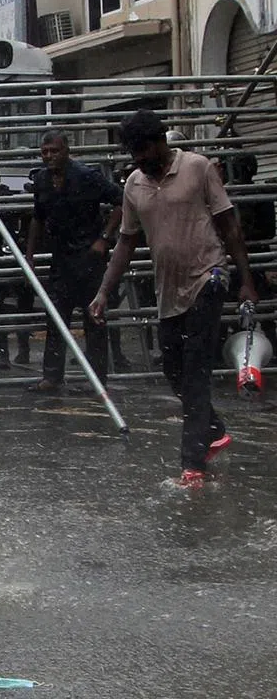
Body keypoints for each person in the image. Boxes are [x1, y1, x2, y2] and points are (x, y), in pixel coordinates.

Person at [91, 110, 257, 488]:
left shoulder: (198, 168)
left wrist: (246, 281)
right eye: (134, 155)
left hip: (208, 277)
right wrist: (103, 292)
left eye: (145, 151)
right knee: (175, 370)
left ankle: (192, 463)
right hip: (169, 291)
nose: (141, 161)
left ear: (161, 141)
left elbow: (229, 226)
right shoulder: (134, 184)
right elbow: (127, 242)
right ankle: (212, 428)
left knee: (196, 369)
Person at [23, 131, 123, 392]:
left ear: (66, 150)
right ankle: (52, 376)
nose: (49, 157)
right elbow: (38, 217)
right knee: (56, 316)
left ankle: (97, 380)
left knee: (94, 318)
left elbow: (121, 201)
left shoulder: (87, 176)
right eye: (44, 152)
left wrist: (104, 238)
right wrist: (30, 254)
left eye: (54, 151)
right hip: (61, 258)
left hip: (89, 257)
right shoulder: (42, 180)